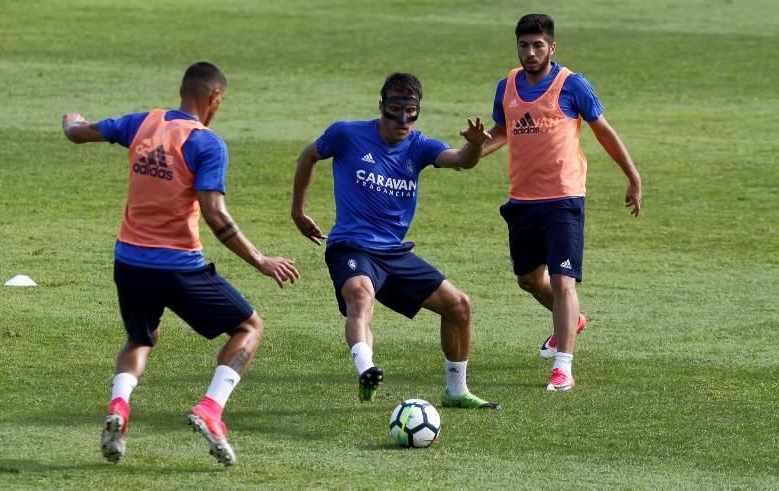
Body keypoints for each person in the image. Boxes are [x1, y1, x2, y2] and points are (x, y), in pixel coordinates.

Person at [61, 62, 299, 466]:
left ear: (181, 90)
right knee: (248, 327)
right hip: (178, 267)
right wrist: (260, 260)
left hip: (129, 261)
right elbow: (215, 214)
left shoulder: (142, 123)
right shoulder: (206, 143)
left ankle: (119, 406)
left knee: (141, 339)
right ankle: (211, 408)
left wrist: (72, 121)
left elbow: (80, 132)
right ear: (215, 98)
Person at [292, 72, 501, 410]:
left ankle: (457, 391)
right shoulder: (346, 134)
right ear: (381, 106)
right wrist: (298, 212)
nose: (403, 119)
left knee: (459, 305)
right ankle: (367, 369)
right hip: (351, 246)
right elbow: (308, 156)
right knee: (361, 297)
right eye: (395, 108)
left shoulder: (419, 146)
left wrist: (475, 144)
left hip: (394, 253)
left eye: (411, 110)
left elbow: (461, 161)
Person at [481, 14, 642, 391]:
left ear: (552, 47)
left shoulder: (572, 85)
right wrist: (468, 150)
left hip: (564, 198)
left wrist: (632, 176)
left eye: (538, 45)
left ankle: (563, 368)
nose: (531, 52)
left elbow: (604, 132)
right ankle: (572, 321)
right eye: (524, 45)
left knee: (562, 279)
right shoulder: (507, 86)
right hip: (522, 199)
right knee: (528, 280)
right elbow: (501, 133)